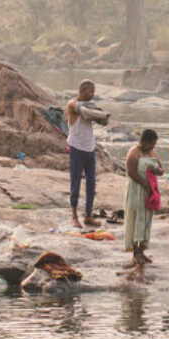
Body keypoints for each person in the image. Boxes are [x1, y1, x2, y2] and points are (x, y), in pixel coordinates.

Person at [67, 80, 110, 228]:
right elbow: (84, 112)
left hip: (89, 147)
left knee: (91, 183)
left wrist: (100, 114)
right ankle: (74, 216)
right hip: (76, 147)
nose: (93, 94)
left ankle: (88, 215)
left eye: (94, 91)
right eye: (90, 91)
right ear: (82, 90)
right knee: (76, 181)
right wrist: (100, 113)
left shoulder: (91, 105)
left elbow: (104, 123)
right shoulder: (73, 104)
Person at [124, 128, 164, 270]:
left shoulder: (152, 152)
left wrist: (156, 171)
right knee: (136, 220)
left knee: (146, 220)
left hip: (149, 192)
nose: (153, 146)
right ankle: (136, 253)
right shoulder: (134, 152)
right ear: (144, 142)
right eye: (152, 143)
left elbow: (161, 169)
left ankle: (142, 251)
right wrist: (143, 182)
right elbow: (130, 171)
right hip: (137, 190)